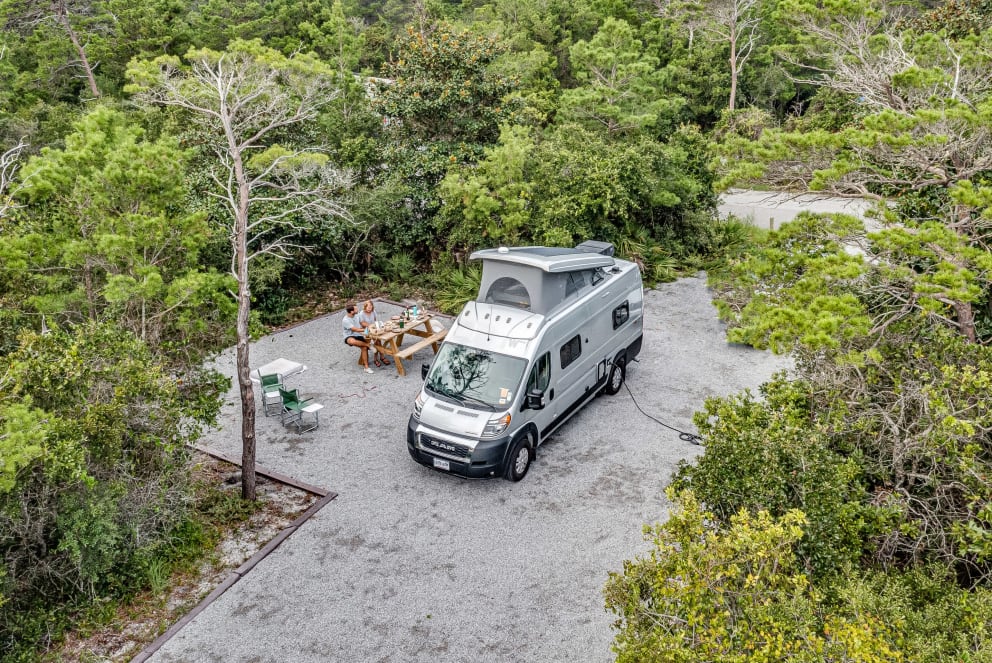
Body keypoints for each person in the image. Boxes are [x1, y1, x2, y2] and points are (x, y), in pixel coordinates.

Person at [358, 299, 390, 367]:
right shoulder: (361, 313)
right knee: (377, 341)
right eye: (368, 307)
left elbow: (375, 320)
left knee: (378, 339)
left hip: (373, 329)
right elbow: (362, 323)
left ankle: (380, 357)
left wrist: (376, 326)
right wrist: (371, 326)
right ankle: (378, 358)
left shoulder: (373, 311)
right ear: (365, 307)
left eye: (371, 307)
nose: (369, 309)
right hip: (365, 331)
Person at [343, 304, 373, 374]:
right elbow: (355, 329)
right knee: (352, 341)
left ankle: (366, 367)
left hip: (359, 335)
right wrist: (365, 330)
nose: (357, 310)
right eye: (356, 309)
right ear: (351, 312)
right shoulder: (345, 320)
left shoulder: (357, 315)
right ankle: (369, 345)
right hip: (349, 336)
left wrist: (370, 326)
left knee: (364, 348)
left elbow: (362, 323)